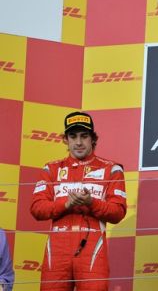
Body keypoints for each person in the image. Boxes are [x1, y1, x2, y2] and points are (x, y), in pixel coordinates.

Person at [30, 112, 127, 291]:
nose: (79, 142)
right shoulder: (51, 169)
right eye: (73, 136)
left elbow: (118, 212)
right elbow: (36, 208)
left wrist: (92, 202)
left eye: (84, 136)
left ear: (93, 139)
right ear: (65, 140)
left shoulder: (111, 169)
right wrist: (65, 204)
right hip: (57, 247)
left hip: (92, 246)